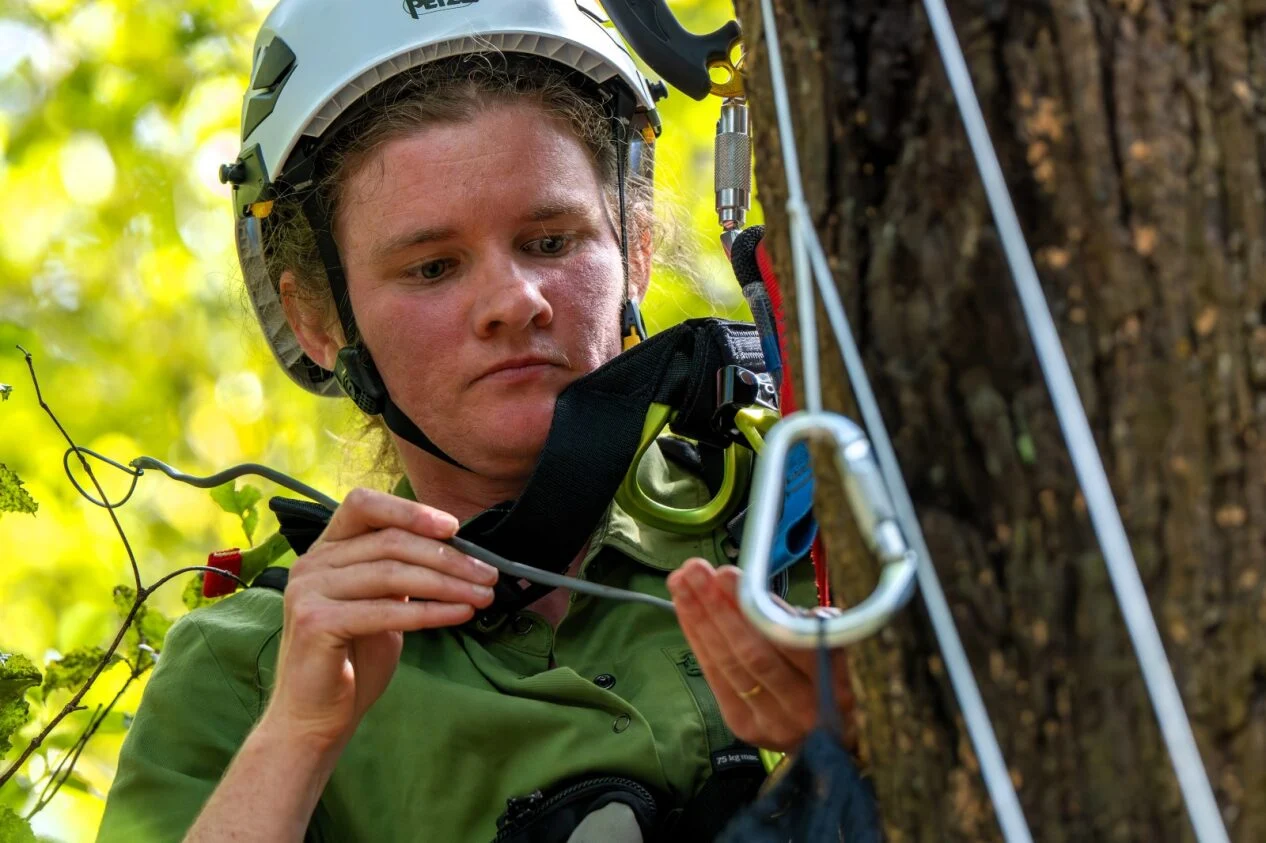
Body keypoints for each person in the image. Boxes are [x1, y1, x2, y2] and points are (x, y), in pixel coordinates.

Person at [96, 1, 854, 840]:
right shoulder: (251, 667)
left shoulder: (815, 514)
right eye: (432, 266)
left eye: (552, 242)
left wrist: (865, 729)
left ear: (635, 245)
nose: (513, 302)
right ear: (318, 315)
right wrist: (298, 735)